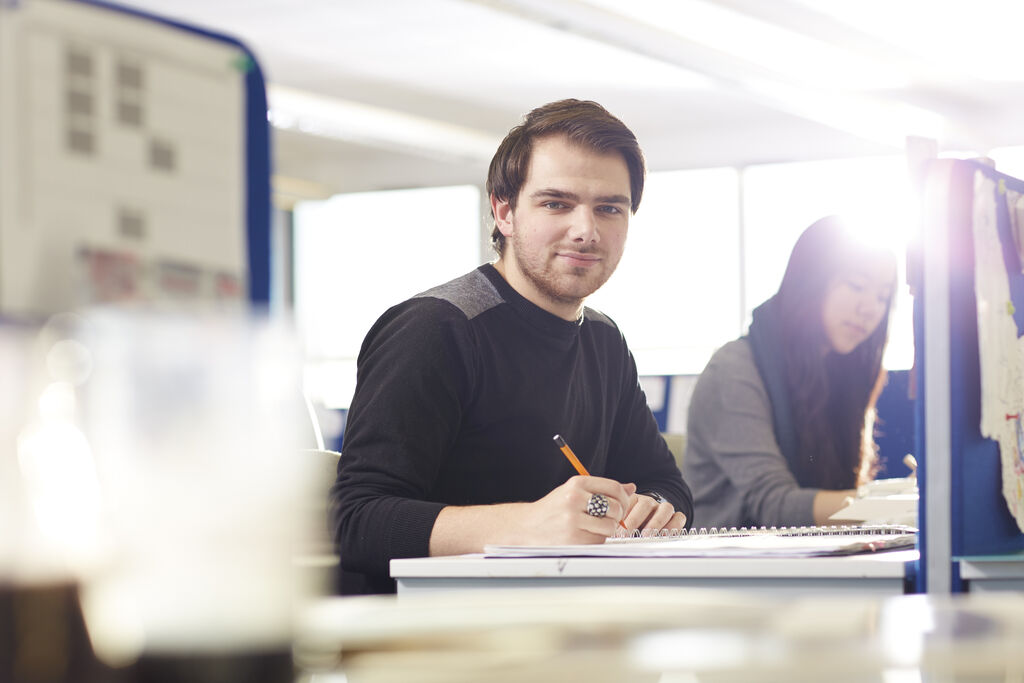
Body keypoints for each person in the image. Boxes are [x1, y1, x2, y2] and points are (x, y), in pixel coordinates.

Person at [328, 99, 693, 594]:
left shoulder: (604, 340)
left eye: (610, 208)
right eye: (556, 203)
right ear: (504, 211)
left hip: (569, 622)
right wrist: (528, 525)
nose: (586, 230)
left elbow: (667, 485)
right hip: (442, 636)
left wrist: (654, 509)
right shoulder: (435, 329)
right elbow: (359, 523)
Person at [682, 215, 896, 529]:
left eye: (882, 296)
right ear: (811, 280)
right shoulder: (734, 369)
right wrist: (895, 508)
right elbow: (775, 505)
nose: (870, 308)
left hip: (810, 561)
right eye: (857, 286)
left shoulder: (843, 371)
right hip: (734, 566)